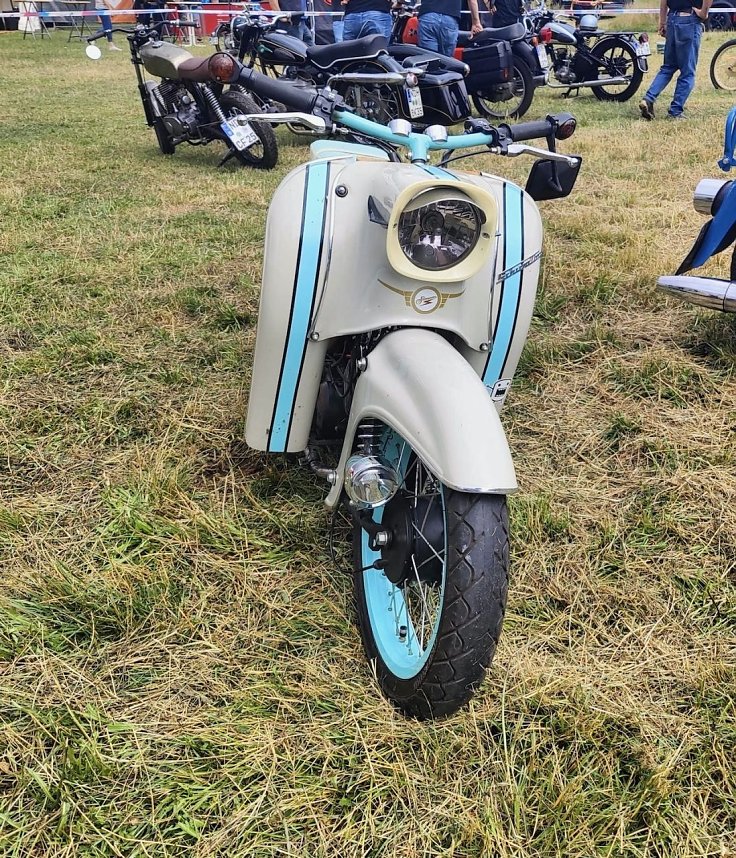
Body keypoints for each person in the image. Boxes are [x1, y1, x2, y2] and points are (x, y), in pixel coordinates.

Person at [639, 0, 712, 120]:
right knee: (687, 72)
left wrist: (662, 23)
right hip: (690, 20)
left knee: (668, 67)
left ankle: (648, 99)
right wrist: (704, 13)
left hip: (672, 18)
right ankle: (675, 111)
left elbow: (664, 1)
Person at [418, 0, 482, 57]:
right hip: (450, 18)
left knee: (428, 60)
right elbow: (472, 1)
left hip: (428, 15)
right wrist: (476, 22)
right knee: (446, 62)